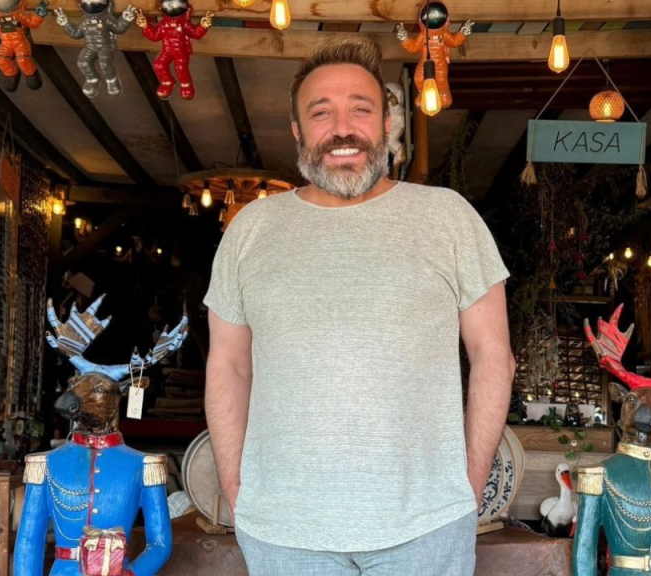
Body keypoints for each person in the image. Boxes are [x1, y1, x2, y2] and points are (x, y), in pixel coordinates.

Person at [203, 34, 514, 576]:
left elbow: (494, 356)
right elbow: (228, 364)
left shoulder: (448, 217)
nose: (342, 128)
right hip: (283, 533)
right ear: (297, 131)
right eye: (321, 112)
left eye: (360, 109)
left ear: (388, 124)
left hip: (426, 530)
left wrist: (466, 488)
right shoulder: (250, 229)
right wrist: (235, 487)